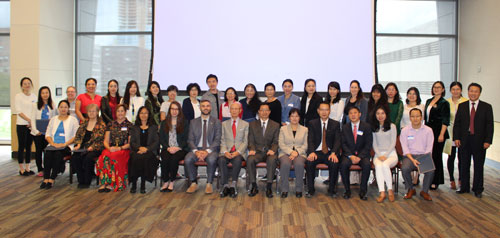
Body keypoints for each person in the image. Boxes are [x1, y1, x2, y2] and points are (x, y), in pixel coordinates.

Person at [454, 83, 494, 198]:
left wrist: (488, 141)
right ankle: (464, 187)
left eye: (476, 91)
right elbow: (457, 124)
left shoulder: (486, 107)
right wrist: (456, 138)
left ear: (479, 93)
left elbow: (489, 125)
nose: (473, 93)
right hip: (464, 140)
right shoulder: (462, 106)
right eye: (471, 91)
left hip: (480, 141)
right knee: (464, 164)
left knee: (478, 165)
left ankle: (478, 189)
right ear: (468, 92)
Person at [185, 100, 222, 194]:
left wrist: (207, 151)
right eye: (203, 106)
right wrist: (196, 151)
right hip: (197, 148)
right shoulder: (193, 122)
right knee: (188, 159)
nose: (205, 108)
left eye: (207, 106)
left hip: (211, 149)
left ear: (211, 107)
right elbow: (190, 139)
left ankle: (209, 183)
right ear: (200, 108)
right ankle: (193, 183)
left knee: (211, 159)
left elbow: (217, 140)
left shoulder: (216, 122)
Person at [305, 102, 341, 198]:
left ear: (329, 111)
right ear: (318, 111)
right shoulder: (312, 123)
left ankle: (332, 190)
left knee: (334, 163)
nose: (324, 112)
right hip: (316, 152)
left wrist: (334, 153)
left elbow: (338, 140)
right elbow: (310, 139)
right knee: (309, 162)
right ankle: (310, 190)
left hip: (330, 152)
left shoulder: (335, 124)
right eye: (322, 110)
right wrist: (311, 152)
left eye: (326, 110)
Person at [40, 100, 79, 189]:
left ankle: (52, 179)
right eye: (61, 107)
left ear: (68, 108)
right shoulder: (53, 119)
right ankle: (46, 178)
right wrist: (53, 143)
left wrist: (64, 144)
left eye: (65, 107)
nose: (63, 109)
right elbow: (48, 134)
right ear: (58, 108)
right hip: (53, 145)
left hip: (66, 146)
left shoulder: (73, 120)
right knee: (47, 154)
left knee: (58, 155)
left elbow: (76, 136)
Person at [96, 104, 133, 192]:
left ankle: (113, 183)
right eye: (118, 111)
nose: (120, 113)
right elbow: (105, 140)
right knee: (103, 157)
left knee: (114, 157)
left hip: (123, 149)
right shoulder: (110, 124)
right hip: (111, 149)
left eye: (122, 111)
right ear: (115, 113)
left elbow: (130, 143)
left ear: (125, 112)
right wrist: (109, 148)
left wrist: (119, 148)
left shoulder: (130, 125)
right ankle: (104, 183)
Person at [400, 108, 435, 201]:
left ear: (422, 117)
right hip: (409, 156)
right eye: (413, 116)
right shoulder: (405, 130)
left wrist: (423, 159)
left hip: (424, 156)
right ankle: (410, 189)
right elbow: (405, 149)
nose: (415, 119)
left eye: (417, 116)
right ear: (410, 118)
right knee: (405, 168)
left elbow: (429, 149)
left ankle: (425, 191)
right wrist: (413, 160)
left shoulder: (428, 130)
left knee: (430, 171)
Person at [247, 103, 280, 198]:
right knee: (250, 159)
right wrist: (252, 149)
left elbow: (276, 141)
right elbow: (250, 140)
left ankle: (269, 186)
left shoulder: (275, 125)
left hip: (269, 152)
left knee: (272, 159)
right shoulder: (252, 124)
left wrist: (273, 150)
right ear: (259, 112)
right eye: (262, 110)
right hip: (257, 152)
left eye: (266, 110)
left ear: (269, 112)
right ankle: (254, 185)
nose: (264, 112)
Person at [340, 106, 373, 200]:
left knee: (367, 165)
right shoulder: (345, 127)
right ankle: (347, 190)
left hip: (362, 155)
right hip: (349, 155)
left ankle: (363, 191)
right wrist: (351, 156)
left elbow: (368, 144)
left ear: (360, 114)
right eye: (351, 113)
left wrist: (359, 157)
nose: (353, 115)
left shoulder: (366, 127)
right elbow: (343, 144)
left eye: (355, 113)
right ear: (348, 116)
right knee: (343, 165)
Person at [218, 103, 249, 198]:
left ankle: (234, 184)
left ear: (240, 111)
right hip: (226, 151)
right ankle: (225, 185)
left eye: (237, 109)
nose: (234, 111)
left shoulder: (245, 124)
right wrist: (225, 152)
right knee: (221, 160)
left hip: (239, 152)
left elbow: (245, 141)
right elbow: (222, 140)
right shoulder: (223, 124)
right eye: (232, 109)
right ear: (229, 110)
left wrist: (238, 152)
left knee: (238, 160)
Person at [424, 81, 450, 190]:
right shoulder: (429, 101)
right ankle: (427, 179)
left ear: (443, 89)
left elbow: (445, 120)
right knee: (427, 155)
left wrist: (441, 134)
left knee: (436, 156)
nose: (436, 89)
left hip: (439, 132)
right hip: (428, 132)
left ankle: (436, 181)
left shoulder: (444, 103)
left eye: (439, 87)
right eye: (435, 87)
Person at [72, 104, 106, 188]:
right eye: (89, 111)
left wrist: (92, 147)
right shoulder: (84, 123)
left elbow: (102, 140)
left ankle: (87, 181)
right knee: (75, 157)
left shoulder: (101, 124)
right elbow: (78, 135)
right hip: (83, 147)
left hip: (96, 147)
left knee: (88, 158)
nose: (91, 113)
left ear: (97, 112)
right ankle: (81, 180)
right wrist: (78, 144)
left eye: (93, 111)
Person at [159, 101, 189, 192]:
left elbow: (186, 139)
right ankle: (165, 181)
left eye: (177, 109)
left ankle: (172, 181)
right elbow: (161, 138)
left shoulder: (185, 122)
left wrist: (177, 148)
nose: (174, 111)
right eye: (172, 109)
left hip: (180, 149)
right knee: (165, 158)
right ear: (169, 110)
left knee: (174, 159)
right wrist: (168, 148)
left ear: (180, 111)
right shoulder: (164, 123)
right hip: (167, 148)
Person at [129, 106, 160, 194]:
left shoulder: (153, 127)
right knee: (135, 158)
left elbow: (156, 142)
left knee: (145, 159)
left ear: (149, 115)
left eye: (146, 113)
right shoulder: (134, 127)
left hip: (149, 151)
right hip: (137, 151)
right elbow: (132, 142)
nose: (143, 115)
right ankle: (134, 183)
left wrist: (146, 149)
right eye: (141, 113)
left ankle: (143, 184)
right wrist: (139, 148)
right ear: (138, 115)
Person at [278, 108, 308, 198]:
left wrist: (297, 152)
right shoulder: (283, 129)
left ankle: (299, 189)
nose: (294, 118)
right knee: (285, 164)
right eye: (292, 116)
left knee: (299, 164)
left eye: (297, 116)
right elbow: (281, 144)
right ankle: (284, 189)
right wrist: (291, 152)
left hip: (300, 153)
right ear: (289, 117)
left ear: (299, 118)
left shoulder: (305, 129)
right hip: (285, 152)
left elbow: (306, 144)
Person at [371, 105, 398, 203]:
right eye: (378, 113)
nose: (380, 116)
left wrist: (385, 155)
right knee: (378, 166)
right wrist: (379, 155)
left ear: (386, 114)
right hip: (378, 154)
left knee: (385, 165)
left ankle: (390, 190)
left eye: (382, 113)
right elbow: (374, 143)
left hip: (391, 154)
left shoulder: (392, 126)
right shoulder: (374, 127)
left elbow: (393, 143)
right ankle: (382, 192)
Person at [444, 82, 468, 190]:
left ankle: (461, 179)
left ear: (461, 90)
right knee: (451, 156)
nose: (455, 91)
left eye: (457, 89)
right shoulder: (446, 102)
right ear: (450, 90)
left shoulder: (466, 102)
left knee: (462, 157)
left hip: (462, 132)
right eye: (453, 89)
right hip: (450, 132)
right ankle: (452, 179)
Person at [30, 86, 57, 177]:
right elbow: (32, 119)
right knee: (38, 151)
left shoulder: (53, 105)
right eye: (43, 93)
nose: (45, 95)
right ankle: (40, 169)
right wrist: (35, 130)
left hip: (48, 133)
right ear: (40, 95)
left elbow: (54, 119)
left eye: (47, 93)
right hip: (38, 132)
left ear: (49, 94)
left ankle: (47, 168)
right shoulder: (35, 105)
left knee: (48, 151)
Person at [15, 77, 37, 176]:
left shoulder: (34, 96)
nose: (27, 85)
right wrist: (29, 120)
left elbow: (35, 110)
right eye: (25, 84)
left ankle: (28, 167)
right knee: (21, 146)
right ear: (22, 86)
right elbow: (19, 111)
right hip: (21, 124)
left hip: (31, 125)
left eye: (29, 83)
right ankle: (21, 168)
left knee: (29, 146)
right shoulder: (18, 96)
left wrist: (32, 122)